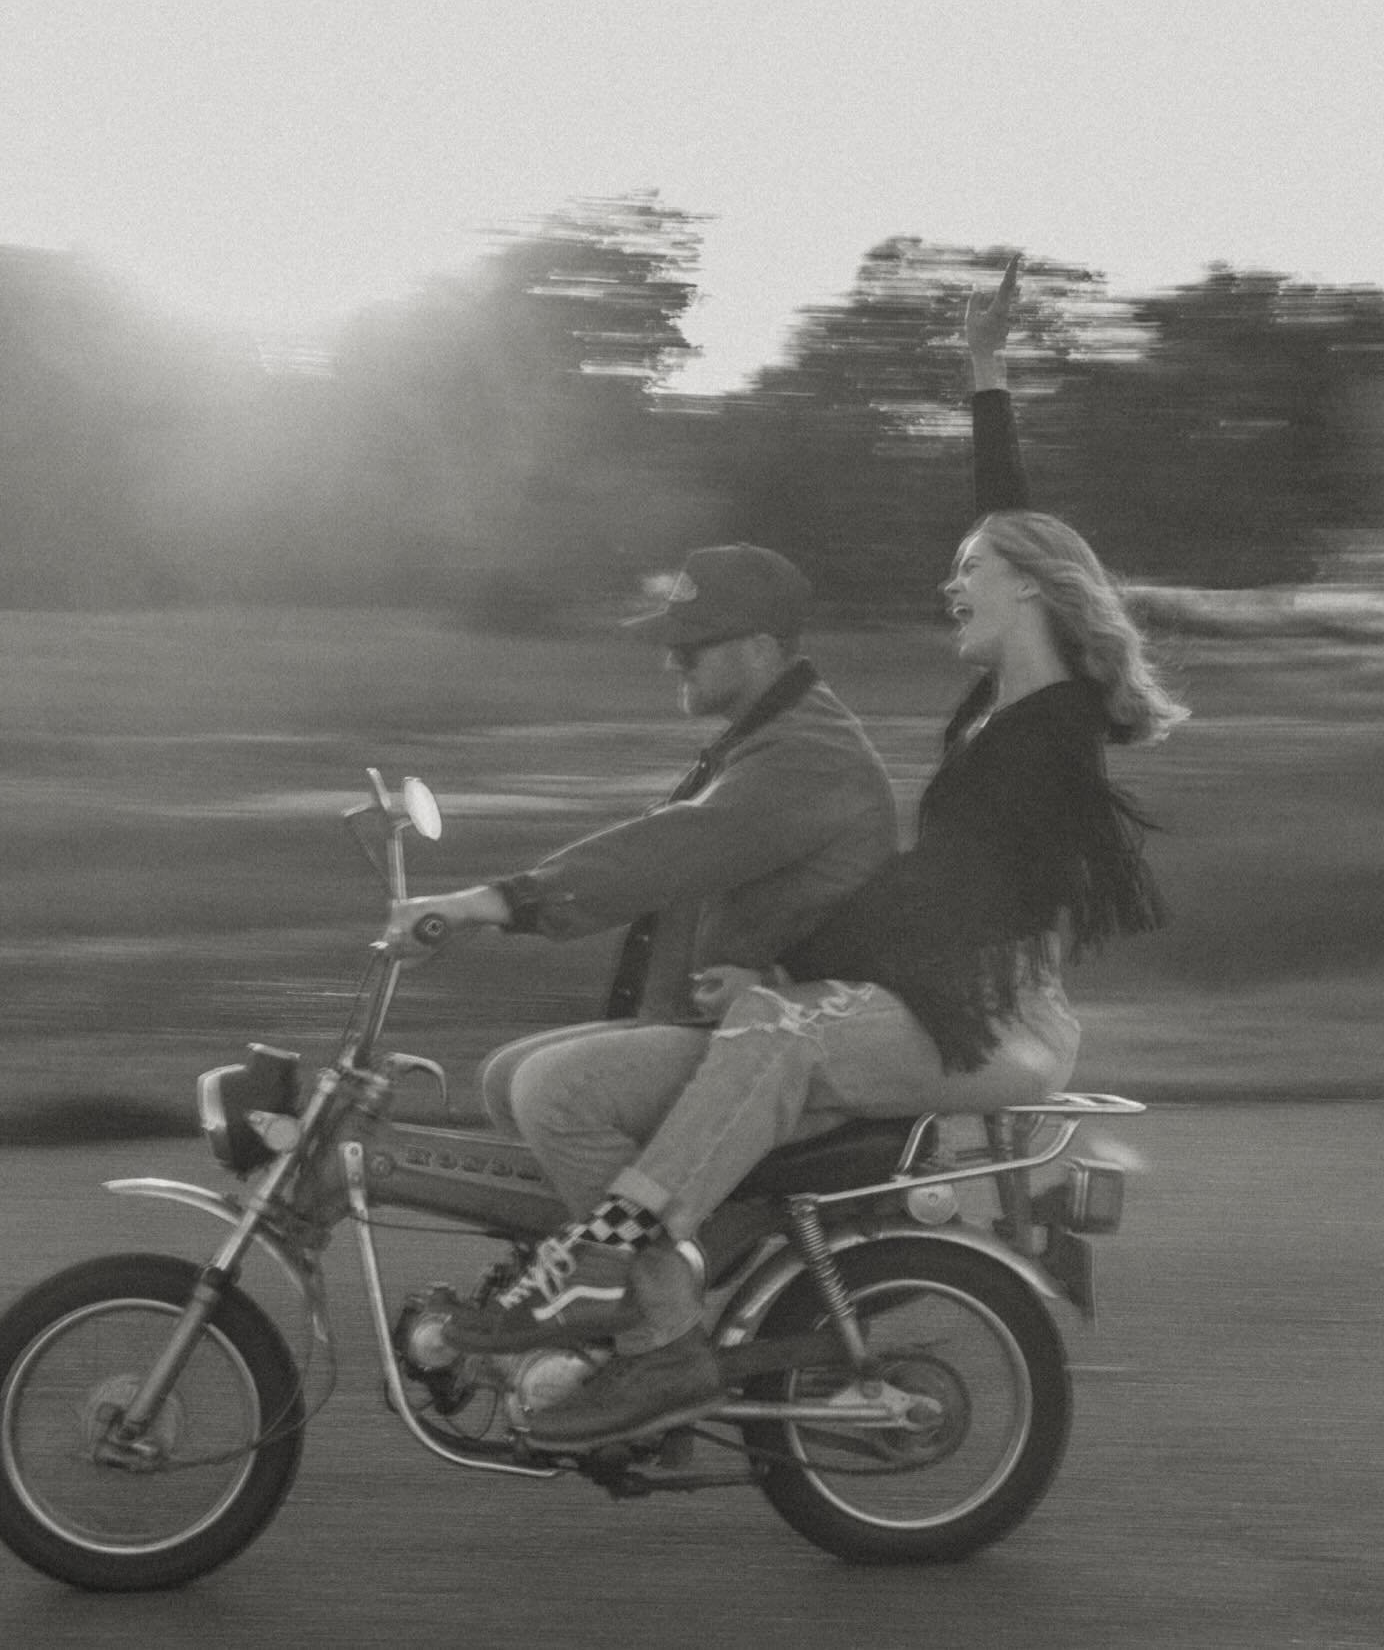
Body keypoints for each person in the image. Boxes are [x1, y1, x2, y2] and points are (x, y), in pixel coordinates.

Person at [394, 258, 1190, 1450]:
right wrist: (984, 376)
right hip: (948, 999)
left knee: (781, 1026)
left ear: (1026, 590)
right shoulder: (1011, 698)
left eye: (970, 574)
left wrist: (794, 967)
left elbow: (950, 893)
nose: (950, 583)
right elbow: (1007, 520)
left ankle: (615, 1288)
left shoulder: (1054, 730)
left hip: (997, 1019)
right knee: (767, 1022)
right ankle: (637, 1287)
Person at [386, 540, 899, 1403]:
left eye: (695, 640)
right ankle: (590, 1310)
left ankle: (658, 1337)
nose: (673, 655)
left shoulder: (808, 757)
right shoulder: (767, 738)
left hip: (790, 1053)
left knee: (559, 1092)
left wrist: (498, 901)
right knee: (507, 1076)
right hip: (744, 1022)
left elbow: (668, 853)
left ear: (765, 649)